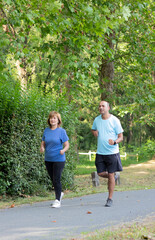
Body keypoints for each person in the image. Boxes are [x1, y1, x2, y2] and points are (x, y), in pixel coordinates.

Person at [92, 101, 123, 207]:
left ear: (108, 108)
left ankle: (109, 198)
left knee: (110, 174)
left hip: (112, 153)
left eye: (103, 106)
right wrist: (94, 132)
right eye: (99, 106)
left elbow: (121, 137)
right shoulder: (97, 120)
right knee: (100, 173)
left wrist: (114, 142)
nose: (101, 107)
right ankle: (113, 177)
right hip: (100, 152)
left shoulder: (115, 120)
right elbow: (93, 129)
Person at [40, 111, 69, 208]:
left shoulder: (62, 131)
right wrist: (42, 148)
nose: (52, 120)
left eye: (55, 118)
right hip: (48, 158)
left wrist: (63, 150)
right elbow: (43, 142)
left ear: (58, 120)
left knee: (56, 179)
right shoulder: (46, 131)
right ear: (49, 120)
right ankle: (59, 193)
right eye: (51, 118)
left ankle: (57, 200)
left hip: (59, 159)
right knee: (52, 179)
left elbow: (67, 145)